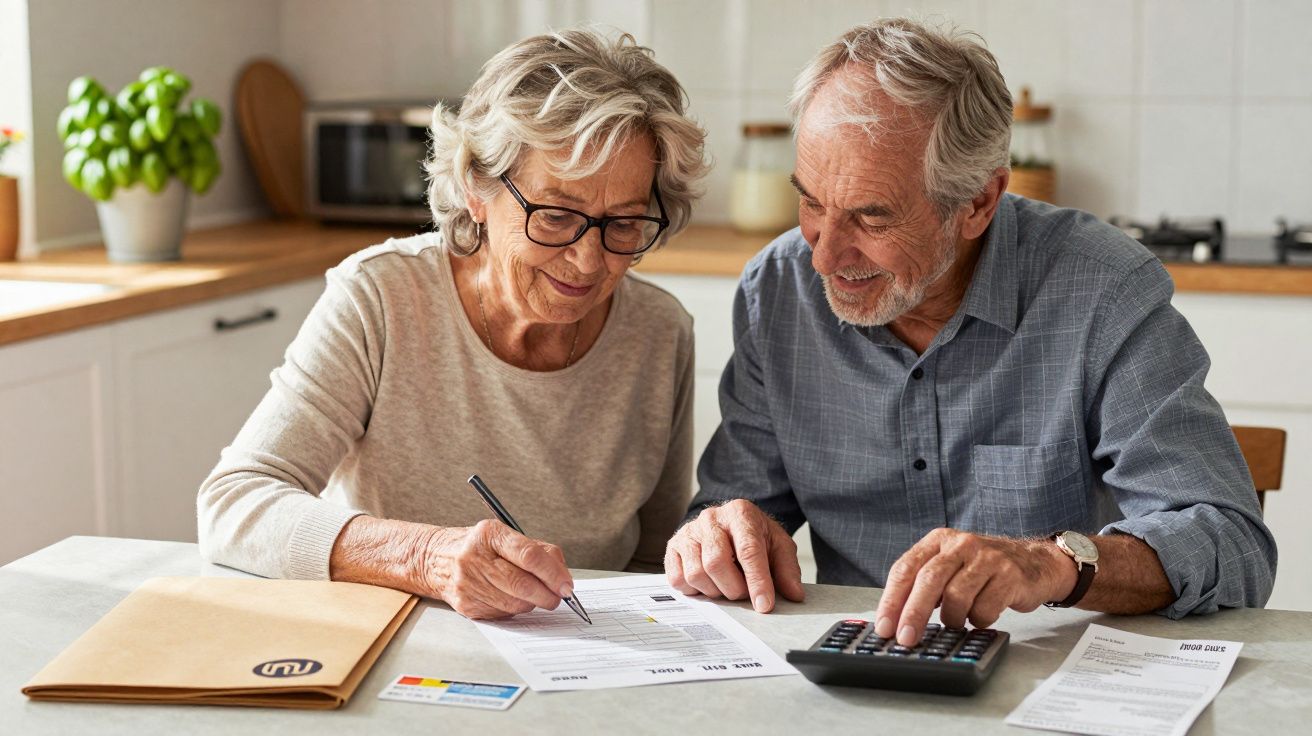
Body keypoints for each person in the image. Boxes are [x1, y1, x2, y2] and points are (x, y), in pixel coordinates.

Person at [664, 18, 1276, 646]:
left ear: (980, 202)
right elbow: (738, 511)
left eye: (872, 217)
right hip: (856, 669)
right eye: (812, 203)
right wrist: (720, 531)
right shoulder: (779, 289)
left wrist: (1050, 564)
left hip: (1050, 664)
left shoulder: (1102, 290)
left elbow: (1230, 542)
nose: (824, 257)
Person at [198, 27, 708, 620]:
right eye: (557, 214)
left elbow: (656, 560)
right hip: (393, 650)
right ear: (477, 189)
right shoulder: (381, 298)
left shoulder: (660, 331)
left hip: (587, 658)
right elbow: (235, 504)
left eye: (623, 223)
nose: (590, 262)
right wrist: (425, 556)